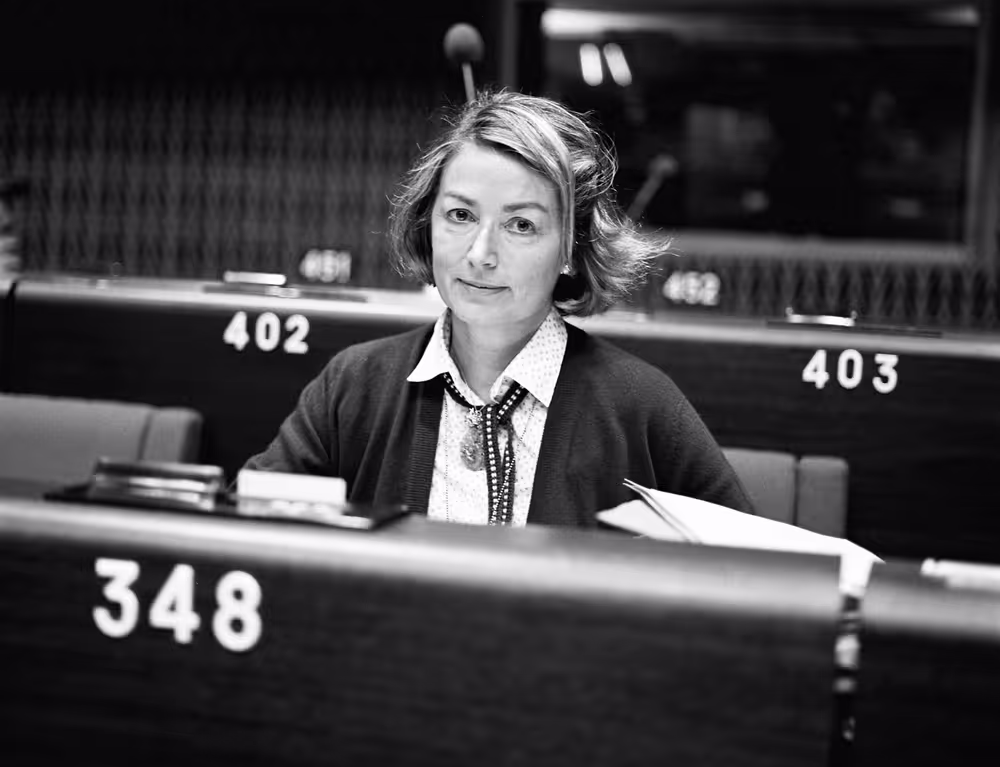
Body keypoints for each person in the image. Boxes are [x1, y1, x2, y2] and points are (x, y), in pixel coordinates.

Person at [240, 90, 752, 526]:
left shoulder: (641, 405)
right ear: (427, 224)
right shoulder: (353, 383)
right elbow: (255, 535)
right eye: (460, 215)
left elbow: (756, 581)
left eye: (521, 225)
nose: (480, 253)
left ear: (572, 250)